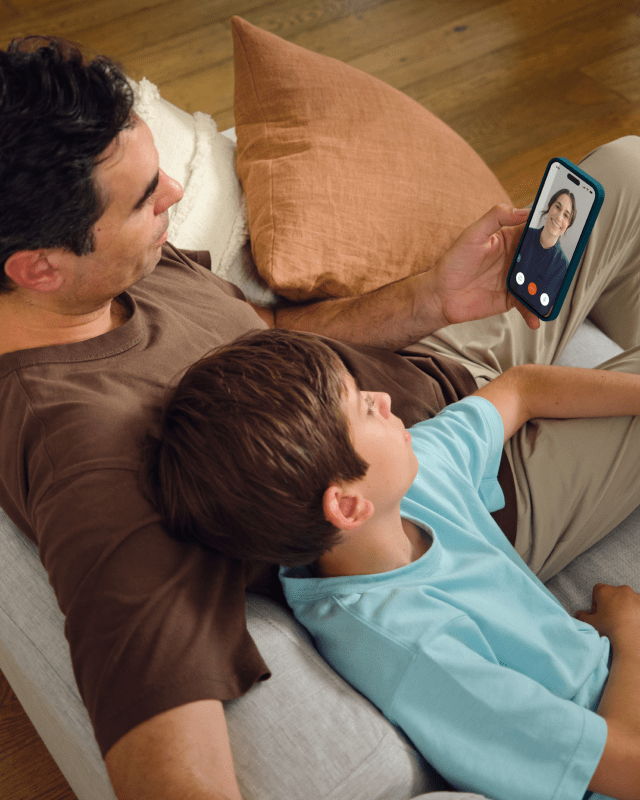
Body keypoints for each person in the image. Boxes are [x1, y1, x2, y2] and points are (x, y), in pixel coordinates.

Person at [0, 31, 639, 800]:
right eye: (144, 199)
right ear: (38, 267)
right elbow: (168, 775)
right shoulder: (89, 457)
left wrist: (434, 298)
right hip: (461, 492)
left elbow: (265, 340)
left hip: (427, 398)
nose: (175, 191)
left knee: (625, 170)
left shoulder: (100, 272)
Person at [145, 326, 640, 800]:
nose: (383, 399)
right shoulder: (413, 650)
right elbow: (627, 767)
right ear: (346, 506)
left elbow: (522, 387)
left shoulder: (410, 482)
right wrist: (630, 637)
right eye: (364, 408)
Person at [513, 188, 575, 314]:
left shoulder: (563, 267)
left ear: (568, 224)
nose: (559, 217)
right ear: (549, 206)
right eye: (557, 207)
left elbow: (545, 309)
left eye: (566, 215)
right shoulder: (523, 235)